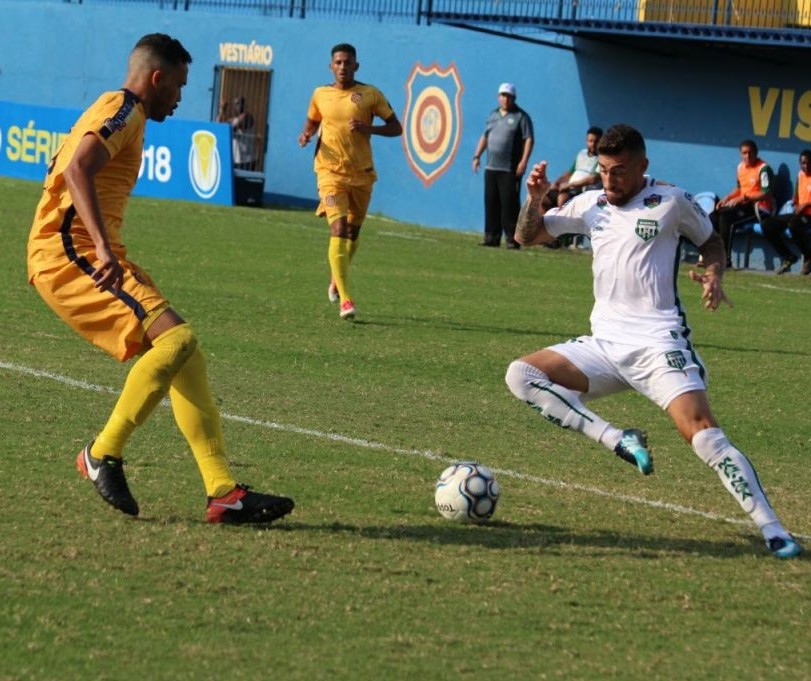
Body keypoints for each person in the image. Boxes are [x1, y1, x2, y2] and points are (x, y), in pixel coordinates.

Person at [27, 33, 294, 524]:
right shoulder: (125, 109)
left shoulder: (123, 111)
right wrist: (103, 247)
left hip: (82, 251)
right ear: (158, 77)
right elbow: (78, 170)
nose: (179, 96)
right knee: (177, 341)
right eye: (178, 86)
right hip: (69, 253)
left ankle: (223, 493)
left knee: (185, 355)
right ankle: (101, 453)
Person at [505, 124, 802, 559]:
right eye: (604, 170)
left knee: (702, 435)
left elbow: (712, 242)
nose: (610, 179)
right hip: (603, 347)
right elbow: (525, 236)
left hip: (658, 345)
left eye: (620, 170)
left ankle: (772, 528)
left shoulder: (670, 202)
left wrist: (714, 273)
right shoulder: (590, 205)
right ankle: (618, 439)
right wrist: (534, 198)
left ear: (643, 166)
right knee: (521, 374)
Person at [298, 43, 402, 320]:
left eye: (348, 62)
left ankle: (336, 278)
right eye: (338, 62)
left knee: (352, 234)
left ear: (356, 65)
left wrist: (369, 129)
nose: (343, 67)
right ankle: (345, 299)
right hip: (330, 172)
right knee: (339, 229)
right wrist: (306, 134)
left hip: (362, 175)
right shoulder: (320, 94)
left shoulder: (370, 94)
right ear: (331, 66)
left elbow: (397, 127)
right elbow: (312, 121)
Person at [472, 83, 534, 249]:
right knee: (491, 202)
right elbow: (485, 136)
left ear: (514, 98)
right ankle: (491, 237)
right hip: (491, 167)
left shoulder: (521, 117)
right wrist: (477, 156)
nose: (505, 99)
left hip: (510, 169)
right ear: (498, 97)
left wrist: (524, 160)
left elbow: (528, 139)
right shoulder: (493, 115)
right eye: (503, 95)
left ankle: (513, 239)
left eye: (508, 96)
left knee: (510, 205)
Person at [709, 139, 775, 268]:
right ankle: (711, 255)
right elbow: (739, 188)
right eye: (744, 153)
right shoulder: (740, 167)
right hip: (743, 205)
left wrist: (743, 197)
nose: (747, 156)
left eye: (750, 153)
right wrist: (727, 197)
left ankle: (725, 259)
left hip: (758, 208)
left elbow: (767, 193)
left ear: (756, 153)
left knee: (726, 218)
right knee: (714, 215)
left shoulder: (763, 169)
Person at [760, 149, 811, 275]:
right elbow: (797, 195)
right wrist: (794, 201)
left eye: (809, 163)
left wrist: (805, 204)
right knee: (767, 224)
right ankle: (788, 256)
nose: (806, 166)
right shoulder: (800, 175)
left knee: (794, 224)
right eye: (803, 163)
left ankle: (809, 257)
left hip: (809, 216)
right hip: (799, 214)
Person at [547, 126, 603, 208]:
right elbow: (570, 173)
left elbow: (592, 179)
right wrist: (557, 182)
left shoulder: (602, 158)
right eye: (590, 141)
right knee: (545, 198)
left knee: (562, 199)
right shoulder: (581, 153)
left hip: (583, 190)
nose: (593, 144)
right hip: (569, 187)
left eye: (597, 141)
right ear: (586, 141)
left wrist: (569, 185)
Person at [218, 95, 256, 171]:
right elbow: (219, 126)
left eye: (240, 103)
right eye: (236, 104)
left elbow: (229, 129)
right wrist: (222, 110)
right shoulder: (234, 119)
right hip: (236, 159)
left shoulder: (248, 117)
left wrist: (225, 124)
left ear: (244, 105)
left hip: (247, 160)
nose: (238, 106)